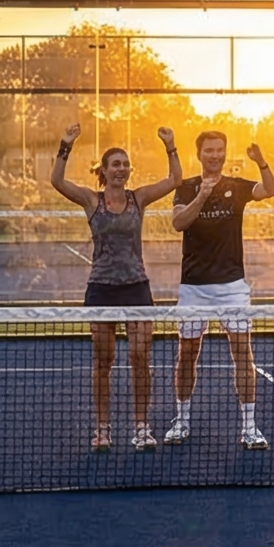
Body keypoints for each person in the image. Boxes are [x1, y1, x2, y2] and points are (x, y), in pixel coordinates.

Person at [50, 123, 181, 452]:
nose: (121, 169)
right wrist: (66, 145)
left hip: (136, 288)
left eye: (125, 164)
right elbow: (57, 181)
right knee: (103, 361)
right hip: (101, 291)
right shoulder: (91, 201)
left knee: (140, 356)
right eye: (115, 164)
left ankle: (141, 427)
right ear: (104, 171)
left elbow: (175, 180)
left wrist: (170, 146)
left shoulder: (139, 198)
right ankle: (103, 430)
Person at [167, 131, 274, 450]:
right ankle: (182, 421)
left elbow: (270, 189)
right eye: (209, 150)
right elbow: (178, 223)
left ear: (225, 153)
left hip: (232, 287)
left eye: (219, 150)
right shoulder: (186, 187)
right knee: (187, 353)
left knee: (242, 352)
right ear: (199, 153)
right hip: (194, 288)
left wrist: (262, 162)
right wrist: (202, 195)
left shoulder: (237, 186)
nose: (215, 155)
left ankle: (249, 427)